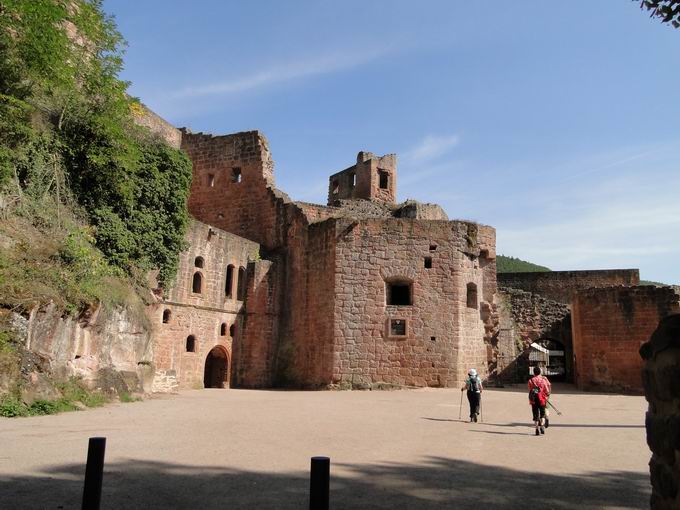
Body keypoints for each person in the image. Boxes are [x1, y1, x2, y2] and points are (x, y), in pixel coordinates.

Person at [528, 366, 550, 436]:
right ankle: (542, 426)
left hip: (534, 399)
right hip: (542, 399)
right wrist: (546, 395)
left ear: (533, 372)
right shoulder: (543, 380)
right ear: (540, 372)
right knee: (542, 414)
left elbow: (530, 389)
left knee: (535, 415)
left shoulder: (530, 380)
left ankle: (536, 429)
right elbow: (547, 390)